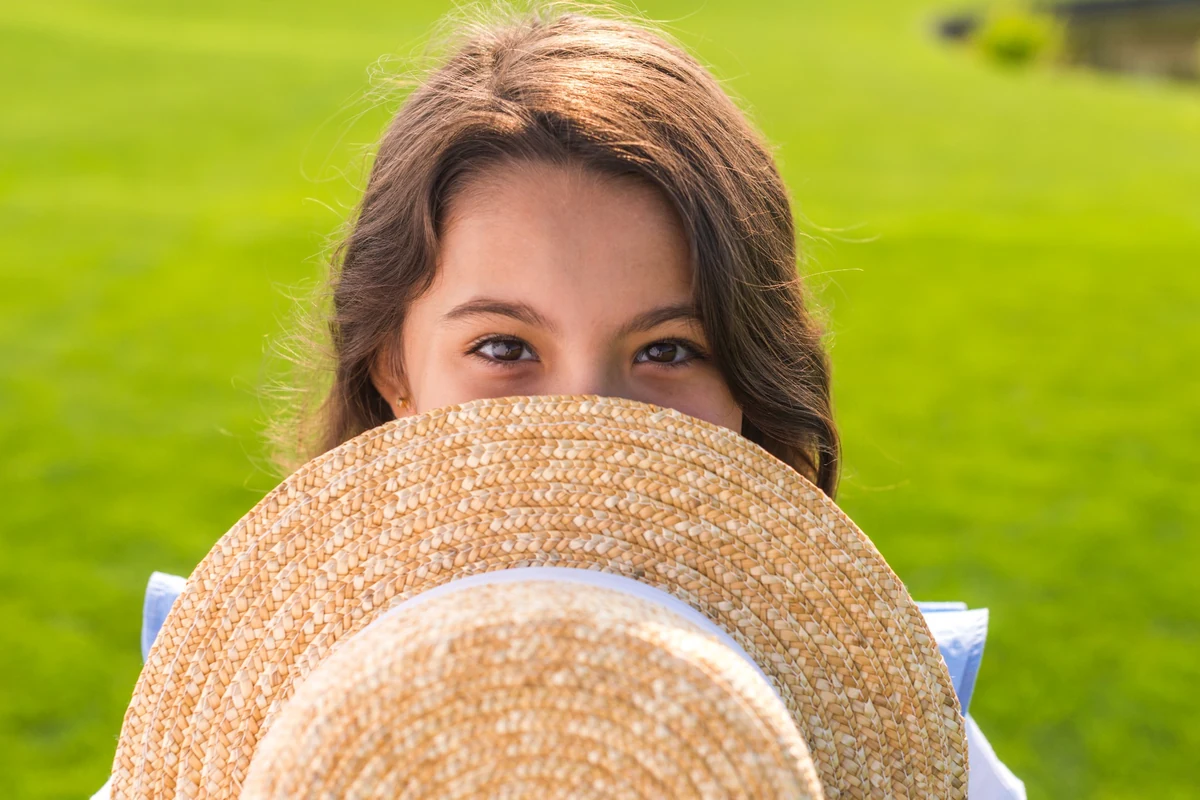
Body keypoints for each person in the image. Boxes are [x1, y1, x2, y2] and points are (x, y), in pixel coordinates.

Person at [94, 6, 1024, 798]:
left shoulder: (928, 735)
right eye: (503, 348)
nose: (588, 417)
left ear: (748, 377)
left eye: (667, 350)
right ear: (394, 369)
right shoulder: (267, 732)